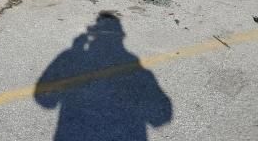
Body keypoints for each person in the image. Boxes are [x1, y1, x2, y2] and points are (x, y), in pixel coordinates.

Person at [36, 12, 172, 140]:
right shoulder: (139, 68)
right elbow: (162, 117)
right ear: (121, 35)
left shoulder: (70, 56)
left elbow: (46, 101)